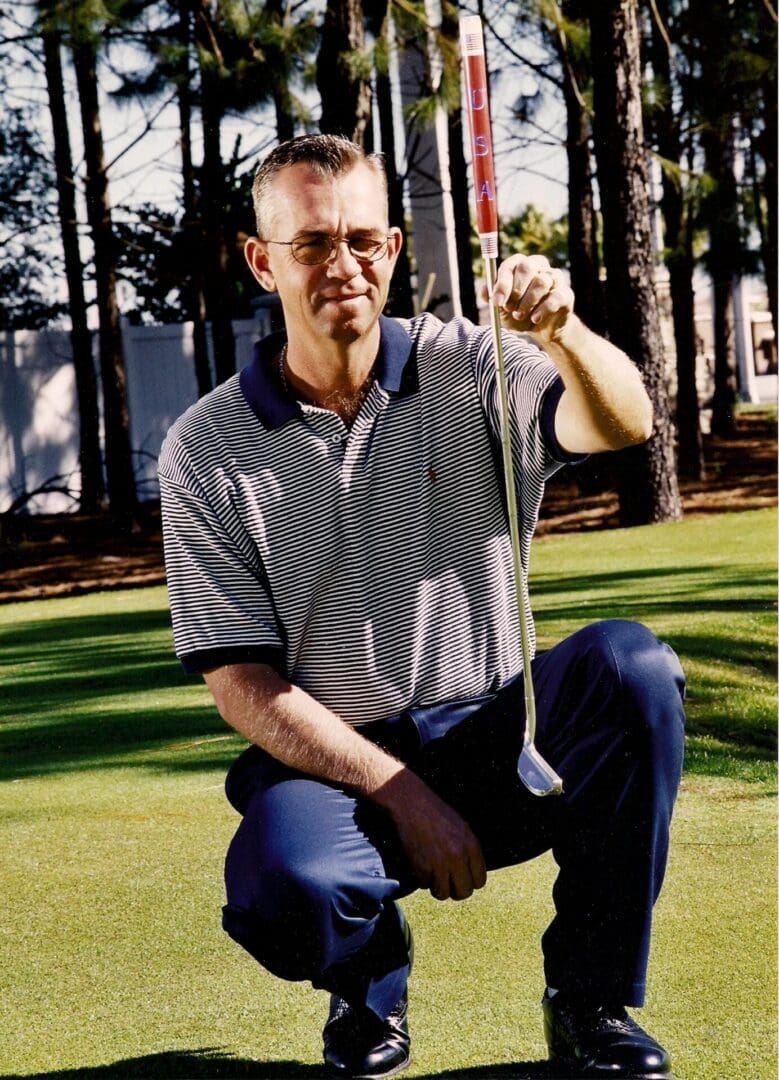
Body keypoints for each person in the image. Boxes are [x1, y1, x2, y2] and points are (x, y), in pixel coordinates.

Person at [158, 133, 685, 1080]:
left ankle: (590, 1000)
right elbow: (240, 683)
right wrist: (401, 794)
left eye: (363, 240)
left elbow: (623, 421)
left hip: (503, 737)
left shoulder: (475, 365)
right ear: (259, 259)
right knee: (285, 890)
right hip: (346, 777)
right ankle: (366, 986)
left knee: (631, 668)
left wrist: (560, 331)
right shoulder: (205, 446)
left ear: (395, 249)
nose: (342, 266)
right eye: (312, 244)